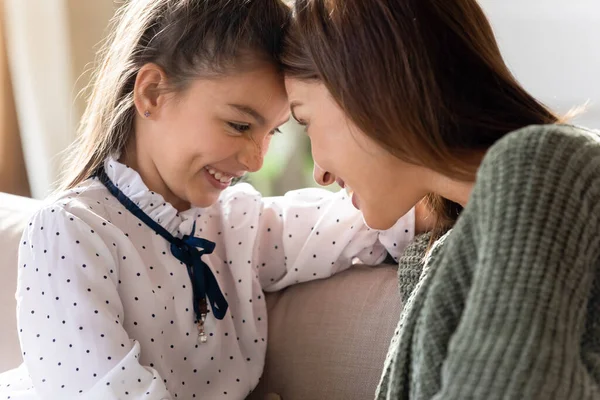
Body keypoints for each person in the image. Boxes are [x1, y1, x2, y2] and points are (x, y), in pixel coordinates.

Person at [0, 1, 417, 399]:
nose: (256, 159)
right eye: (238, 125)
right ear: (151, 94)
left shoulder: (238, 224)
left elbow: (367, 223)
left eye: (272, 132)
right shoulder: (69, 231)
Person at [282, 0, 600, 398]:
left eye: (305, 120)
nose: (320, 173)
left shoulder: (545, 164)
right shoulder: (444, 252)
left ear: (366, 90)